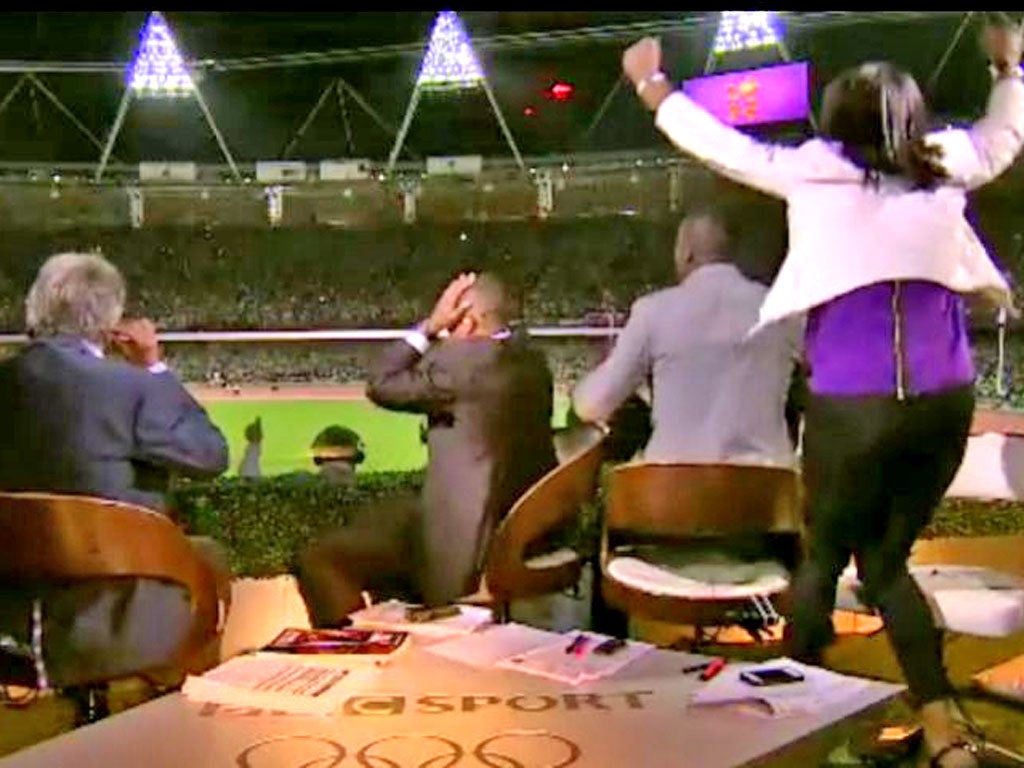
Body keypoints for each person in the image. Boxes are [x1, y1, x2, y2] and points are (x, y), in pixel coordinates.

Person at [622, 21, 1024, 767]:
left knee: (822, 559)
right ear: (914, 116)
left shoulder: (813, 167)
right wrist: (1009, 69)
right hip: (943, 401)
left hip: (852, 400)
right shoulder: (948, 161)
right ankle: (943, 733)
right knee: (885, 565)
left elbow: (723, 148)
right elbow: (1004, 136)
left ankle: (796, 727)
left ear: (833, 120)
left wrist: (653, 87)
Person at [0, 252, 230, 698]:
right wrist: (152, 367)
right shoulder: (130, 386)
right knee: (208, 557)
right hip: (114, 613)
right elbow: (210, 456)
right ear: (111, 320)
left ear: (37, 307)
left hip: (13, 616)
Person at [297, 272, 557, 625]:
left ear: (465, 318)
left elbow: (381, 383)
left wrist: (430, 327)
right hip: (516, 529)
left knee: (320, 558)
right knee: (385, 516)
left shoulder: (462, 363)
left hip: (463, 547)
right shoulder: (532, 361)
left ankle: (364, 650)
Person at [572, 210, 800, 466]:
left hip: (676, 488)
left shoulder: (654, 311)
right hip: (766, 488)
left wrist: (579, 394)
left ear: (686, 254)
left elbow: (594, 403)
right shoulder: (781, 308)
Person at [238, 419, 365, 488]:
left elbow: (250, 483)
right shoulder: (375, 492)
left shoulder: (301, 483)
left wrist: (254, 445)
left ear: (317, 456)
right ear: (358, 457)